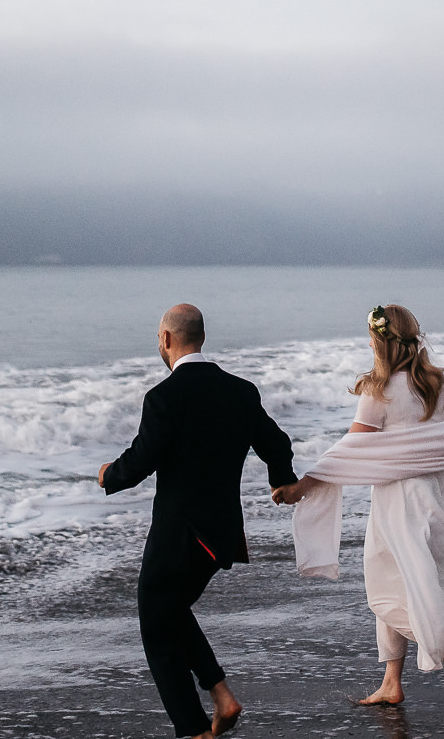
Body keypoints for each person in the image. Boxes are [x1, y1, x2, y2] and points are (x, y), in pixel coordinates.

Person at [273, 304, 444, 709]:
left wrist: (303, 486)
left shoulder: (379, 390)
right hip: (440, 495)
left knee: (386, 590)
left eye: (371, 339)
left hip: (398, 502)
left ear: (379, 342)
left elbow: (350, 449)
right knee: (421, 579)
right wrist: (427, 448)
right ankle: (391, 682)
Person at [100, 303, 299, 739]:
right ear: (202, 337)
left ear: (166, 339)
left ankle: (194, 729)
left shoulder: (163, 397)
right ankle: (221, 696)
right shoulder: (240, 391)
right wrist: (282, 481)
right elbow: (277, 442)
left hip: (180, 536)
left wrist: (108, 475)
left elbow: (140, 462)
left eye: (159, 338)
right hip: (222, 536)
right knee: (169, 611)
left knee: (157, 622)